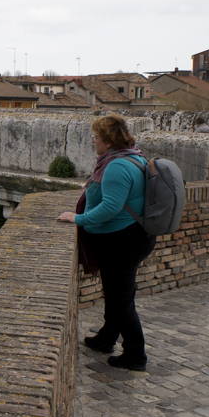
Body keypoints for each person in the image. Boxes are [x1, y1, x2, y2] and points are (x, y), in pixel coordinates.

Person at [58, 115, 155, 371]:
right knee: (117, 294)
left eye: (96, 137)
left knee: (121, 299)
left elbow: (110, 207)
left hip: (122, 240)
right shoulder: (134, 156)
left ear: (109, 141)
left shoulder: (116, 166)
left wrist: (79, 218)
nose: (93, 141)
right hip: (133, 237)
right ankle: (106, 338)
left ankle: (135, 355)